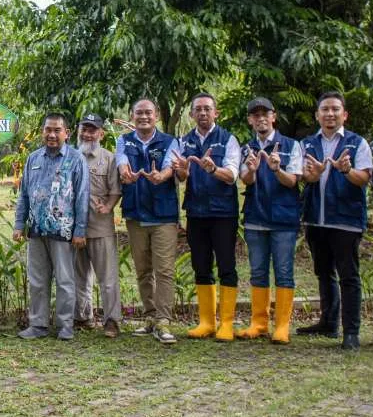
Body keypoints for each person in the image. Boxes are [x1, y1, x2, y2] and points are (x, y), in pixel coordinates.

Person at [299, 92, 373, 350]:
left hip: (345, 220)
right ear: (317, 115)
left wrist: (346, 170)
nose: (330, 114)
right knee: (323, 272)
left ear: (344, 114)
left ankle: (351, 331)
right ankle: (328, 322)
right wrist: (314, 175)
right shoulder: (307, 144)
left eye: (335, 109)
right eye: (325, 110)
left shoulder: (356, 143)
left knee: (348, 275)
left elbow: (363, 178)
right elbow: (304, 178)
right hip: (316, 219)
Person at [13, 112, 90, 341]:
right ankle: (38, 325)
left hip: (64, 231)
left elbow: (82, 197)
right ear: (42, 132)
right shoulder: (33, 159)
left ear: (66, 133)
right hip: (36, 230)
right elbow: (24, 195)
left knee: (65, 281)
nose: (52, 134)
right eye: (48, 130)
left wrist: (80, 230)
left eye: (57, 130)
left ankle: (65, 326)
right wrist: (19, 224)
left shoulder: (76, 159)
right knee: (37, 280)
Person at [172, 93, 242, 341]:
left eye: (207, 109)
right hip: (196, 212)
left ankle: (226, 323)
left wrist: (213, 169)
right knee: (200, 266)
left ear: (216, 113)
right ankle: (206, 322)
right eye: (198, 109)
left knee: (226, 266)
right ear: (191, 114)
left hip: (223, 213)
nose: (202, 113)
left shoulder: (228, 140)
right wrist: (181, 172)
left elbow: (233, 175)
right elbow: (182, 177)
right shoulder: (184, 141)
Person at [236, 98, 302, 344]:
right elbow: (245, 179)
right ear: (250, 120)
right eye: (255, 115)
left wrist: (276, 169)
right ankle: (259, 323)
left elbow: (293, 181)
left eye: (265, 114)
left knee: (284, 272)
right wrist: (252, 169)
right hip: (255, 217)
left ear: (274, 117)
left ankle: (282, 326)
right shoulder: (247, 148)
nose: (261, 118)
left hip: (283, 219)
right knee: (258, 271)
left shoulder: (290, 145)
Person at [115, 99, 181, 345]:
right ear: (132, 116)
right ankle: (150, 317)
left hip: (163, 215)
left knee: (164, 270)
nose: (144, 117)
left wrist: (161, 176)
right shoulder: (124, 140)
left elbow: (170, 168)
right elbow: (121, 161)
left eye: (148, 113)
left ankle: (164, 321)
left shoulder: (169, 141)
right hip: (135, 214)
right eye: (139, 113)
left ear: (157, 116)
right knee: (143, 270)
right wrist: (124, 172)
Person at [72, 113, 123, 337]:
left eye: (92, 130)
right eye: (84, 129)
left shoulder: (109, 159)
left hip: (100, 226)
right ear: (78, 131)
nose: (87, 134)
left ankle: (112, 320)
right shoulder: (70, 157)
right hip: (74, 228)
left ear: (101, 134)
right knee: (79, 276)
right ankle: (82, 317)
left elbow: (115, 190)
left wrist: (109, 206)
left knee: (107, 277)